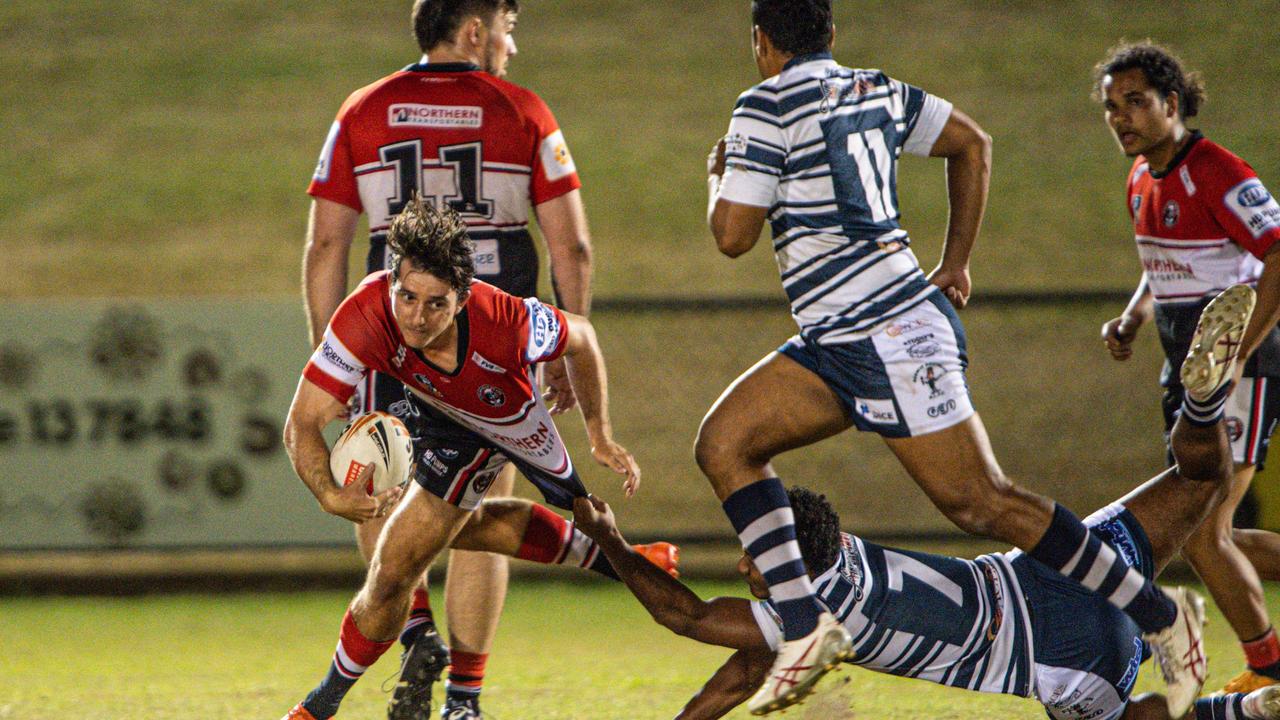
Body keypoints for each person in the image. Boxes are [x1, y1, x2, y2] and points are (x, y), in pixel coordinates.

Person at [700, 1, 1213, 714]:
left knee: (982, 502)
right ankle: (803, 629)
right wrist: (956, 263)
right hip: (840, 339)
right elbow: (971, 141)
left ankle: (1161, 615)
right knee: (726, 443)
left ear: (761, 41)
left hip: (883, 332)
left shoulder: (759, 105)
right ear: (831, 37)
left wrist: (717, 175)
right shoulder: (874, 87)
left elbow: (732, 236)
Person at [577, 287, 1271, 720]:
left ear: (783, 556)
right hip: (1067, 562)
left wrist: (607, 542)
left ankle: (1236, 714)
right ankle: (1205, 402)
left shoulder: (808, 610)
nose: (746, 568)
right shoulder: (841, 558)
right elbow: (740, 672)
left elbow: (688, 617)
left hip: (1065, 654)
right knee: (1199, 476)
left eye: (753, 561)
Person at [303, 0, 596, 716]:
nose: (511, 46)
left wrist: (330, 353)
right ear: (474, 32)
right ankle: (464, 698)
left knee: (370, 473)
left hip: (391, 332)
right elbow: (573, 246)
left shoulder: (364, 110)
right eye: (508, 29)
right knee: (482, 507)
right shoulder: (523, 111)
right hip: (494, 338)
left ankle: (414, 634)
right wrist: (568, 340)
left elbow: (325, 246)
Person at [280, 198, 638, 720]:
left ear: (463, 299)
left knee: (558, 518)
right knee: (393, 568)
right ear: (391, 281)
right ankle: (321, 705)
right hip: (447, 420)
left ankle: (629, 567)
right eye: (407, 297)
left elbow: (582, 336)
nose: (417, 317)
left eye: (436, 304)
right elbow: (302, 421)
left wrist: (599, 435)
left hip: (510, 418)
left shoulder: (507, 320)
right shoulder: (366, 312)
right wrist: (329, 494)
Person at [1096, 41, 1280, 694]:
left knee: (1202, 535)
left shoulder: (1218, 171)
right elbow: (1161, 268)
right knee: (1215, 533)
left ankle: (1270, 669)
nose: (1121, 117)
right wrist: (1132, 319)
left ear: (1172, 104)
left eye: (1136, 102)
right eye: (1112, 106)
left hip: (1240, 371)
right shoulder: (1140, 179)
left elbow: (1278, 251)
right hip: (1184, 372)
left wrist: (1240, 354)